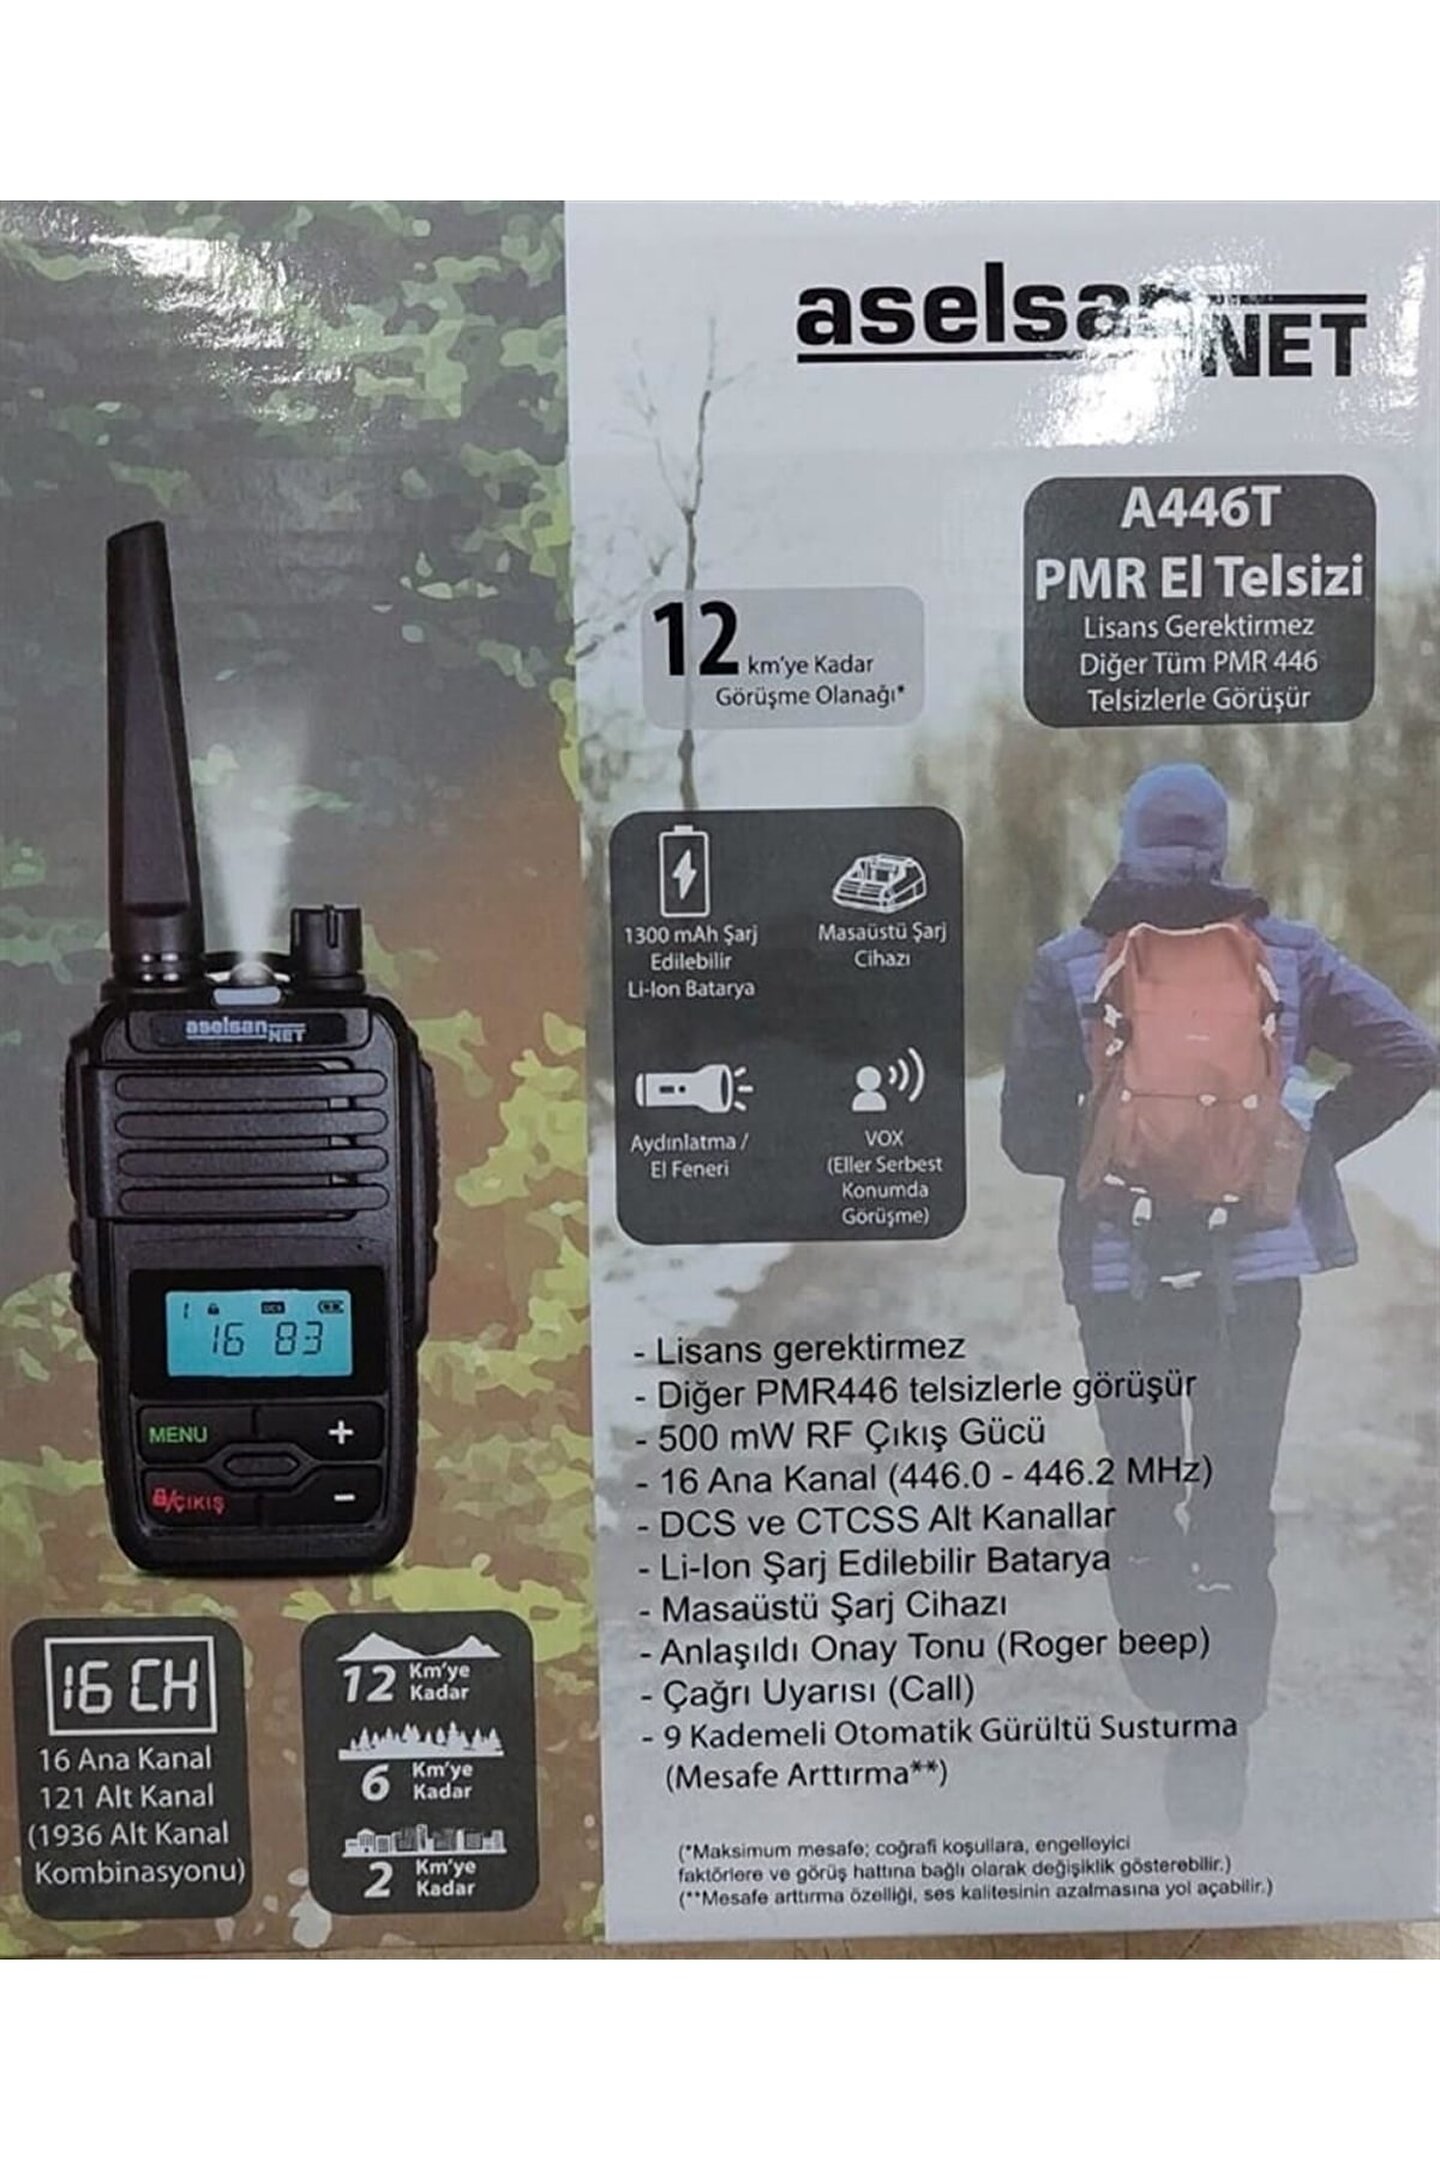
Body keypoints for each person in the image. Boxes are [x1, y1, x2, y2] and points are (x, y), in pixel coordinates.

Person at [1000, 762, 1437, 1833]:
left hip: (1123, 1278)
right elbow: (1410, 1052)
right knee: (1236, 1499)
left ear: (1127, 838)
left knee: (1145, 1485)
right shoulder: (1290, 954)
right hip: (1259, 1276)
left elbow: (1023, 1135)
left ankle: (1169, 1683)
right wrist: (1300, 1149)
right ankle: (1217, 1754)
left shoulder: (1069, 965)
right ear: (1219, 844)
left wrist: (1114, 1156)